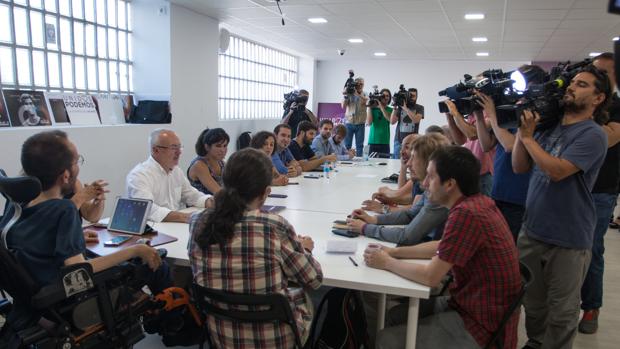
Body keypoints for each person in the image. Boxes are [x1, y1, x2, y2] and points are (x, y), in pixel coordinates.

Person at [0, 130, 171, 335]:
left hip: (33, 299)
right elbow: (77, 269)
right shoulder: (63, 209)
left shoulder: (16, 203)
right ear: (65, 175)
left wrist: (76, 236)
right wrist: (134, 250)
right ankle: (170, 326)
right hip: (69, 300)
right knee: (158, 264)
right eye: (76, 161)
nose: (78, 167)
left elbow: (32, 243)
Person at [366, 146, 521, 349]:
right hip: (474, 306)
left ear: (449, 184)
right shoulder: (478, 203)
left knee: (386, 339)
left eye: (430, 177)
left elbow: (431, 276)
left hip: (479, 324)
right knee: (395, 316)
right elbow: (442, 246)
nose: (424, 184)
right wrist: (394, 252)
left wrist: (387, 262)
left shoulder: (466, 214)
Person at [512, 65, 611, 349]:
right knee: (533, 304)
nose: (571, 87)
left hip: (569, 239)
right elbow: (520, 166)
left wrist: (530, 138)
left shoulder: (593, 135)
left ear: (598, 98)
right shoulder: (549, 127)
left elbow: (558, 171)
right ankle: (535, 342)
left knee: (562, 313)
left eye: (582, 84)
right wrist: (522, 132)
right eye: (573, 82)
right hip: (532, 232)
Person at [188, 148, 323, 348]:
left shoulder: (198, 221)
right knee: (311, 297)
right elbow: (314, 279)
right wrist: (304, 249)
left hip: (222, 337)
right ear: (266, 193)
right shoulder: (274, 226)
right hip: (275, 340)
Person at [473, 65, 546, 240]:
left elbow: (511, 146)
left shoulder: (537, 116)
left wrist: (492, 113)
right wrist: (479, 116)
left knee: (511, 245)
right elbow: (486, 144)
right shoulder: (513, 110)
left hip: (519, 195)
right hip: (499, 189)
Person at [579, 53, 620, 334]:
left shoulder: (617, 107)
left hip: (601, 190)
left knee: (591, 250)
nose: (598, 77)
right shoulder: (580, 105)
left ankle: (591, 307)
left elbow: (609, 137)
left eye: (604, 72)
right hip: (572, 185)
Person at [347, 133, 450, 245]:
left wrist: (365, 228)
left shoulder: (438, 194)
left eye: (414, 158)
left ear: (428, 162)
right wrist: (374, 220)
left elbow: (407, 237)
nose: (409, 163)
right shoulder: (431, 187)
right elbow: (410, 214)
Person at [126, 129, 212, 223]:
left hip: (174, 225)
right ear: (156, 150)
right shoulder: (139, 175)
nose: (179, 152)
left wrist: (210, 201)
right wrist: (185, 217)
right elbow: (148, 209)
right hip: (152, 231)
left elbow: (191, 194)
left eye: (180, 147)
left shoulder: (176, 171)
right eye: (173, 148)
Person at [444, 98, 494, 196]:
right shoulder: (472, 113)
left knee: (483, 208)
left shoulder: (490, 111)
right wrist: (450, 117)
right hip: (472, 170)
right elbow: (459, 140)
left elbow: (472, 134)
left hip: (486, 173)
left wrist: (456, 114)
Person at [363, 134, 418, 214]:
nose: (401, 152)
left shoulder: (422, 176)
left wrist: (384, 208)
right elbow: (410, 199)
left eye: (406, 147)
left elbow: (413, 208)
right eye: (401, 147)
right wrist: (403, 167)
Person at [187, 128, 229, 195]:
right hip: (200, 205)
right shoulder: (199, 165)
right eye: (218, 146)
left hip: (219, 203)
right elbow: (219, 192)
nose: (223, 150)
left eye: (225, 146)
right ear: (207, 147)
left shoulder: (222, 163)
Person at [390, 88, 424, 159]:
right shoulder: (400, 107)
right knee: (396, 163)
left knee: (412, 163)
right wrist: (395, 107)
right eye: (410, 95)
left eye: (413, 96)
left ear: (417, 97)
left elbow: (416, 120)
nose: (411, 98)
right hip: (399, 141)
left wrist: (405, 108)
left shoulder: (420, 107)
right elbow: (392, 122)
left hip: (413, 142)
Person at [342, 77, 368, 156]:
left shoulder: (365, 94)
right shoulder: (349, 93)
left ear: (363, 85)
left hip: (360, 123)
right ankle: (346, 160)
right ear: (354, 84)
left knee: (359, 146)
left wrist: (357, 94)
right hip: (349, 123)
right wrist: (346, 95)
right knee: (347, 145)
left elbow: (366, 101)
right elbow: (343, 106)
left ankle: (359, 163)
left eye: (361, 84)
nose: (359, 85)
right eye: (357, 84)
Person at [366, 88, 393, 157]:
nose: (385, 97)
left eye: (387, 96)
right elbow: (369, 123)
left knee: (384, 166)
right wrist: (369, 107)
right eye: (383, 95)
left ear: (390, 98)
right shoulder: (373, 109)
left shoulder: (391, 109)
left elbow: (389, 119)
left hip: (385, 142)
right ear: (380, 97)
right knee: (370, 165)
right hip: (372, 141)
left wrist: (380, 106)